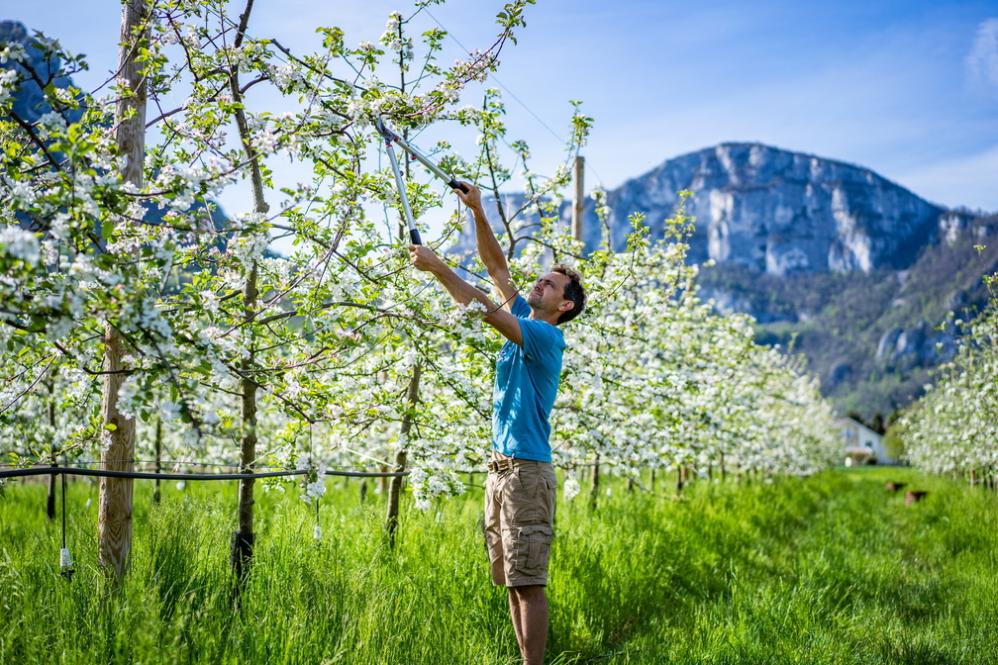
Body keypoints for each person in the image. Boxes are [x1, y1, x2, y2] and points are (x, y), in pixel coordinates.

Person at [408, 182, 586, 665]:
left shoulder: (544, 338)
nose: (538, 285)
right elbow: (495, 268)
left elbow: (483, 307)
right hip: (501, 470)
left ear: (563, 305)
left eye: (549, 285)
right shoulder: (526, 318)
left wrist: (439, 268)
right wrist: (478, 211)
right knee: (510, 580)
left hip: (527, 471)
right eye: (540, 280)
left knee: (528, 583)